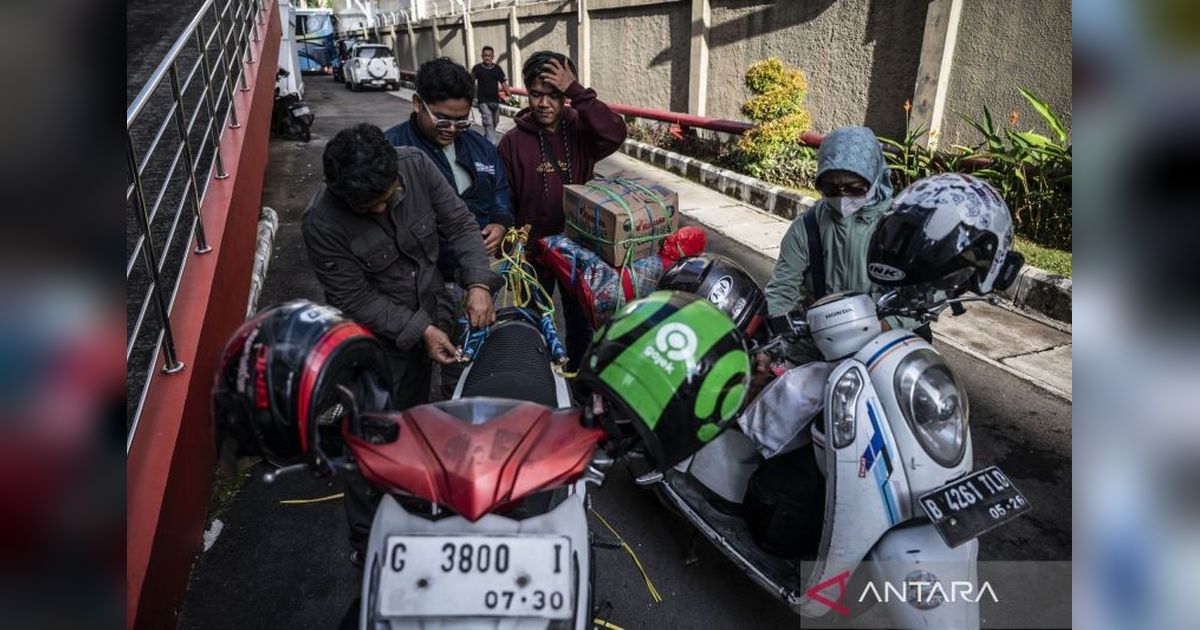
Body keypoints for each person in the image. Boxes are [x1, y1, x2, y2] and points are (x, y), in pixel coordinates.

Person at [302, 123, 500, 565]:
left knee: (416, 417)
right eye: (365, 207)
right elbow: (352, 297)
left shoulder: (415, 164)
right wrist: (422, 331)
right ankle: (369, 546)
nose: (378, 211)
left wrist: (478, 284)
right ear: (340, 194)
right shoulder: (322, 222)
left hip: (433, 311)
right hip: (372, 344)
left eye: (386, 199)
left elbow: (461, 226)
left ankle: (414, 505)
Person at [384, 57, 514, 397]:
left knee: (468, 363)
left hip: (476, 275)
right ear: (417, 103)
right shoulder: (391, 151)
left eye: (461, 121)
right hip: (421, 285)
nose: (451, 129)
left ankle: (459, 414)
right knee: (411, 371)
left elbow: (500, 189)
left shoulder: (481, 146)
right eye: (442, 118)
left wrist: (500, 222)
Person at [497, 51, 627, 370]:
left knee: (582, 322)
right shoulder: (512, 142)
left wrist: (578, 92)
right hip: (532, 253)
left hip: (579, 251)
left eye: (554, 95)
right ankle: (540, 380)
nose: (543, 104)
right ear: (526, 92)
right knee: (533, 321)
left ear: (565, 96)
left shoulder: (582, 130)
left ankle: (577, 385)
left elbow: (616, 133)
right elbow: (502, 196)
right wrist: (506, 231)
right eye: (536, 94)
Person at [762, 125, 925, 368]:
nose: (842, 197)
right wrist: (779, 340)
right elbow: (782, 290)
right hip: (823, 343)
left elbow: (928, 290)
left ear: (874, 177)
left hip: (888, 342)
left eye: (854, 188)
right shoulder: (807, 228)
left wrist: (886, 326)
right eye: (830, 188)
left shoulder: (901, 226)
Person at [470, 45, 509, 143]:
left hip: (495, 101)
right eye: (485, 55)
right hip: (483, 101)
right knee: (488, 123)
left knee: (495, 122)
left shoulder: (497, 69)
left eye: (489, 56)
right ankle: (492, 146)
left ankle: (485, 140)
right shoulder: (477, 68)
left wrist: (510, 96)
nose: (487, 58)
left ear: (493, 56)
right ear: (482, 56)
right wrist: (468, 95)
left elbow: (503, 83)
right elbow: (470, 82)